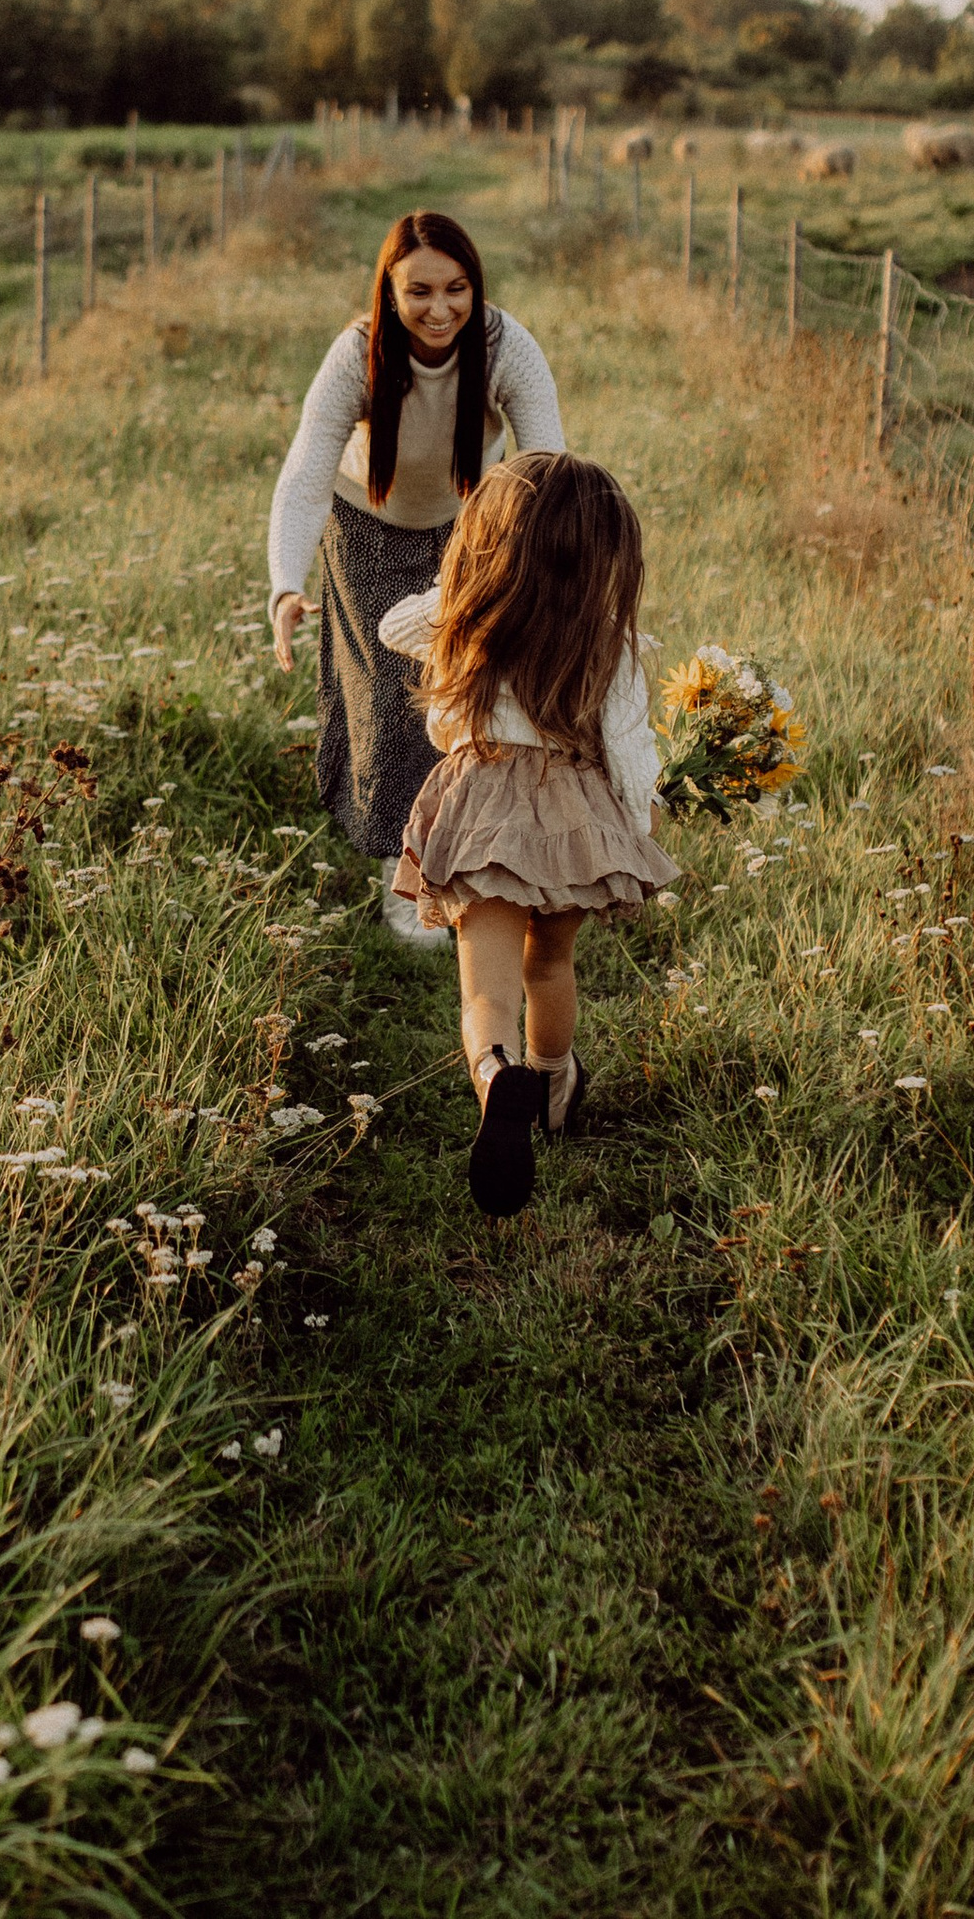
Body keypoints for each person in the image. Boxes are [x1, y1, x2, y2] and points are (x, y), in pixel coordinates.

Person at [378, 451, 678, 1217]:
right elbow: (632, 748)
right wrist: (635, 828)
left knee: (487, 988)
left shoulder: (468, 617)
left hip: (483, 812)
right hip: (572, 820)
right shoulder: (610, 643)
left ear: (492, 540)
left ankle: (497, 1073)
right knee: (551, 964)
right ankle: (552, 1081)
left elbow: (392, 625)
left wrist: (468, 575)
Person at [266, 211, 564, 946]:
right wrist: (282, 583)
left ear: (475, 288)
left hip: (469, 527)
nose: (440, 309)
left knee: (470, 692)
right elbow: (305, 474)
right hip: (366, 526)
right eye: (419, 291)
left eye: (456, 288)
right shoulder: (358, 352)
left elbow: (547, 464)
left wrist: (549, 572)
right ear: (389, 292)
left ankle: (473, 853)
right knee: (394, 706)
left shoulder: (503, 345)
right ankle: (409, 880)